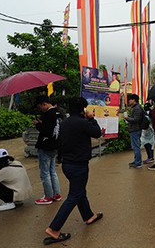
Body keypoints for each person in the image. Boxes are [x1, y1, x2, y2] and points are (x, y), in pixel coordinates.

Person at [44, 97, 103, 245]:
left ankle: (88, 215)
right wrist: (92, 119)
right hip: (79, 165)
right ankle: (54, 228)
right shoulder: (83, 122)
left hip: (67, 164)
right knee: (74, 196)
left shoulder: (65, 123)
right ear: (83, 109)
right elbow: (97, 133)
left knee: (79, 192)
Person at [33, 95, 62, 205]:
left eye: (40, 107)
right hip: (55, 145)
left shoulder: (48, 115)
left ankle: (48, 196)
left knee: (45, 172)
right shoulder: (58, 113)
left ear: (44, 104)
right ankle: (56, 194)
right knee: (52, 171)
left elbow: (46, 131)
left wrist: (38, 125)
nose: (40, 109)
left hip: (46, 146)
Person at [124, 94, 144, 168]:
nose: (129, 101)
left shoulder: (137, 108)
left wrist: (127, 118)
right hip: (135, 129)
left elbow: (136, 119)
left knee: (136, 146)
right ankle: (136, 160)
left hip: (135, 129)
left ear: (134, 100)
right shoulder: (136, 107)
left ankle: (138, 162)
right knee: (135, 146)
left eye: (130, 99)